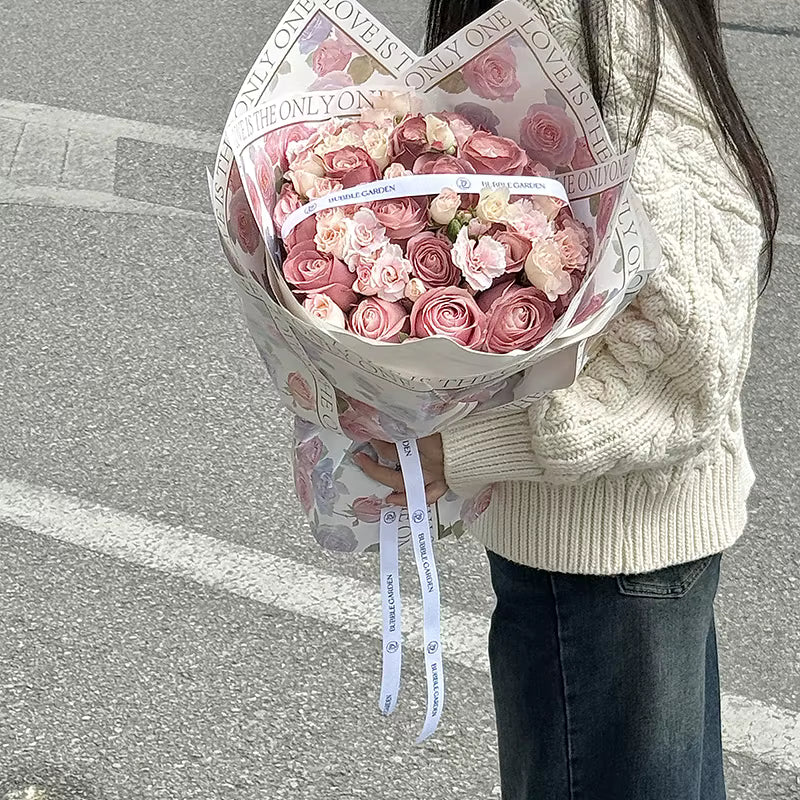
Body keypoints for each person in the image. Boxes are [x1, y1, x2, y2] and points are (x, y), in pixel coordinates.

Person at [356, 0, 779, 798]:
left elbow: (696, 336)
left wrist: (472, 447)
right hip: (623, 535)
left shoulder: (582, 16)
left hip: (607, 552)